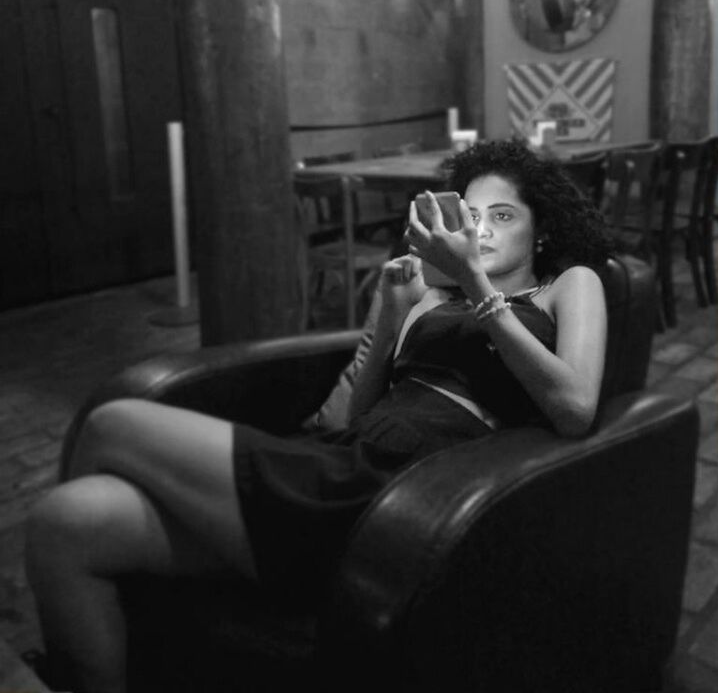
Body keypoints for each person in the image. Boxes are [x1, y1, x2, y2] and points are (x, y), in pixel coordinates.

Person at [25, 138, 612, 693]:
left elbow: (575, 408)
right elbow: (357, 418)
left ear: (541, 232)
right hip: (347, 461)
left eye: (504, 216)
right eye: (472, 213)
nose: (482, 227)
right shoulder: (434, 298)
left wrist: (479, 287)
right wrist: (392, 313)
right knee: (66, 523)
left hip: (410, 495)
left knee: (112, 423)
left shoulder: (567, 286)